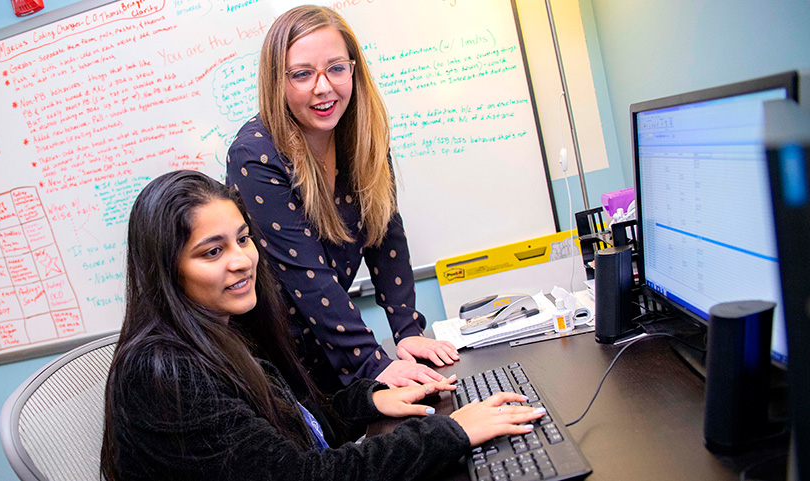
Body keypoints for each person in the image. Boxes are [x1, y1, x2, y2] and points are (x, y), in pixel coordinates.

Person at [100, 170, 544, 481]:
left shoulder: (222, 331)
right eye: (212, 252)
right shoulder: (164, 375)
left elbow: (294, 432)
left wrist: (370, 401)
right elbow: (303, 475)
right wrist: (453, 431)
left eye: (242, 239)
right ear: (167, 270)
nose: (242, 261)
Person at [226, 5, 456, 392]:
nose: (323, 87)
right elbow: (304, 274)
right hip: (276, 362)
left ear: (353, 69)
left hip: (333, 349)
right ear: (275, 82)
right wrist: (371, 361)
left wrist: (406, 329)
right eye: (302, 74)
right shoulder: (256, 155)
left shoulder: (362, 135)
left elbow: (385, 234)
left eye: (336, 68)